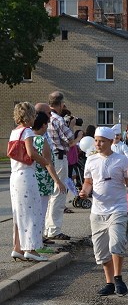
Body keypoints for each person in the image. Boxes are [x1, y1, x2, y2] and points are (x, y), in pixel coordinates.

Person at [79, 126, 128, 296]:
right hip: (97, 211)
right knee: (101, 250)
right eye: (96, 140)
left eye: (102, 141)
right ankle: (109, 283)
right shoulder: (91, 160)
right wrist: (84, 192)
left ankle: (118, 279)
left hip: (117, 208)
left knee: (116, 243)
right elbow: (88, 182)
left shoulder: (121, 160)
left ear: (111, 142)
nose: (98, 144)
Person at [9, 103, 53, 262]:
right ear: (29, 116)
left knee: (18, 213)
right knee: (32, 212)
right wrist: (45, 162)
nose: (35, 118)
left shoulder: (15, 132)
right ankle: (31, 250)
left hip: (14, 175)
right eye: (34, 115)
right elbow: (31, 152)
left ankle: (18, 247)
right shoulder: (27, 131)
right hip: (26, 175)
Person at [31, 112, 67, 245]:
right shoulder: (41, 140)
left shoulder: (28, 138)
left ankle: (37, 238)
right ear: (44, 124)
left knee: (34, 210)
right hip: (43, 180)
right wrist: (57, 180)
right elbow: (48, 163)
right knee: (41, 210)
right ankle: (38, 239)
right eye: (47, 124)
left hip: (32, 177)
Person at [45, 91, 76, 241]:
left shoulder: (46, 117)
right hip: (59, 157)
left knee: (50, 194)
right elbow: (71, 140)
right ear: (61, 104)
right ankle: (54, 230)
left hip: (48, 158)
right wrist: (75, 129)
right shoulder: (58, 119)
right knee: (59, 192)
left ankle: (47, 227)